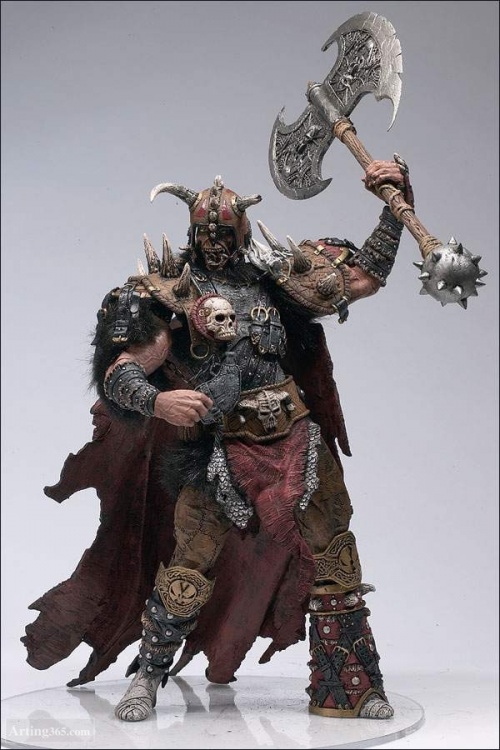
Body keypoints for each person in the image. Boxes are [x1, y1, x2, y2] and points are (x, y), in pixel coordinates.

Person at [23, 158, 414, 722]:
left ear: (242, 233)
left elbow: (362, 277)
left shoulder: (277, 281)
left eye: (225, 234)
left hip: (296, 438)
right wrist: (158, 401)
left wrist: (395, 204)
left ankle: (349, 687)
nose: (215, 243)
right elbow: (122, 368)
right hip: (221, 448)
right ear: (191, 234)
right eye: (206, 234)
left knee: (336, 555)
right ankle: (147, 677)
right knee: (189, 564)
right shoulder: (170, 296)